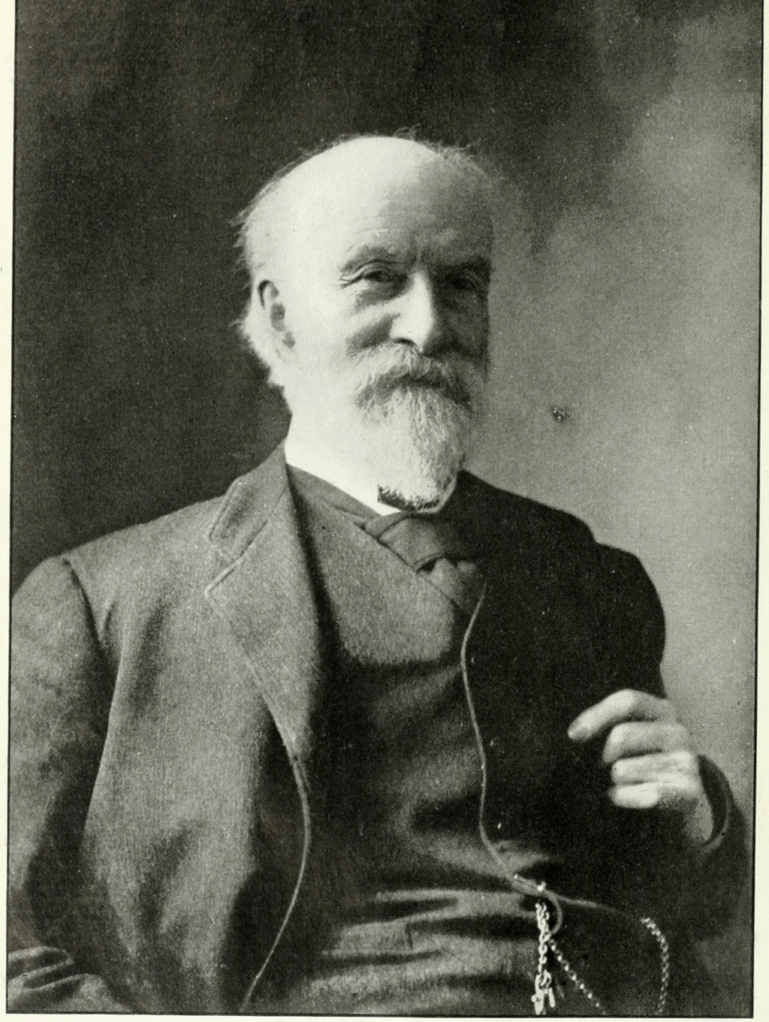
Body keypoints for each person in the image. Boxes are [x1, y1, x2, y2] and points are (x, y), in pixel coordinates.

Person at [9, 134, 746, 1015]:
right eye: (376, 279)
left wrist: (698, 818)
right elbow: (15, 962)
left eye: (461, 284)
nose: (429, 327)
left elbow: (687, 912)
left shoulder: (584, 575)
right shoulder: (103, 606)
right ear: (281, 321)